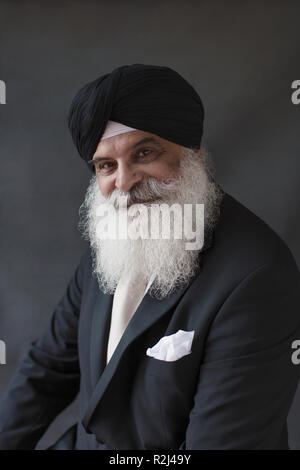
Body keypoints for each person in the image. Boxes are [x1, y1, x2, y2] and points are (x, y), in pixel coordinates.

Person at [0, 64, 299, 450]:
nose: (124, 183)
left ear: (191, 152)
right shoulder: (113, 240)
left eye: (144, 152)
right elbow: (47, 368)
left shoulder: (258, 277)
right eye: (106, 165)